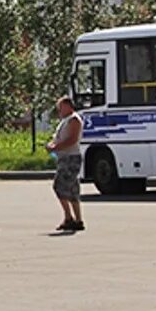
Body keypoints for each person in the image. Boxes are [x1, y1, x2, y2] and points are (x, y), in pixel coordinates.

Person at [46, 96, 85, 232]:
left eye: (60, 107)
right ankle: (78, 220)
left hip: (71, 158)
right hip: (64, 157)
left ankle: (69, 218)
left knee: (59, 186)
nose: (59, 110)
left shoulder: (74, 119)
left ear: (68, 106)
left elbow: (72, 140)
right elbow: (59, 139)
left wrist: (55, 148)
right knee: (72, 189)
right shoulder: (65, 120)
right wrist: (52, 144)